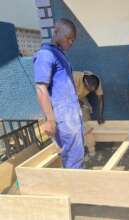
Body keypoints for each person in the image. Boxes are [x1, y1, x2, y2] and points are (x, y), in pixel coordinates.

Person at [34, 18, 84, 168]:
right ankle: (75, 187)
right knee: (72, 157)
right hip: (63, 116)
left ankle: (78, 181)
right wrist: (50, 120)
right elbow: (41, 88)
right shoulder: (46, 54)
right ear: (56, 33)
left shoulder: (58, 54)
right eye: (68, 38)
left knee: (76, 153)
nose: (70, 43)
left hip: (71, 114)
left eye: (72, 40)